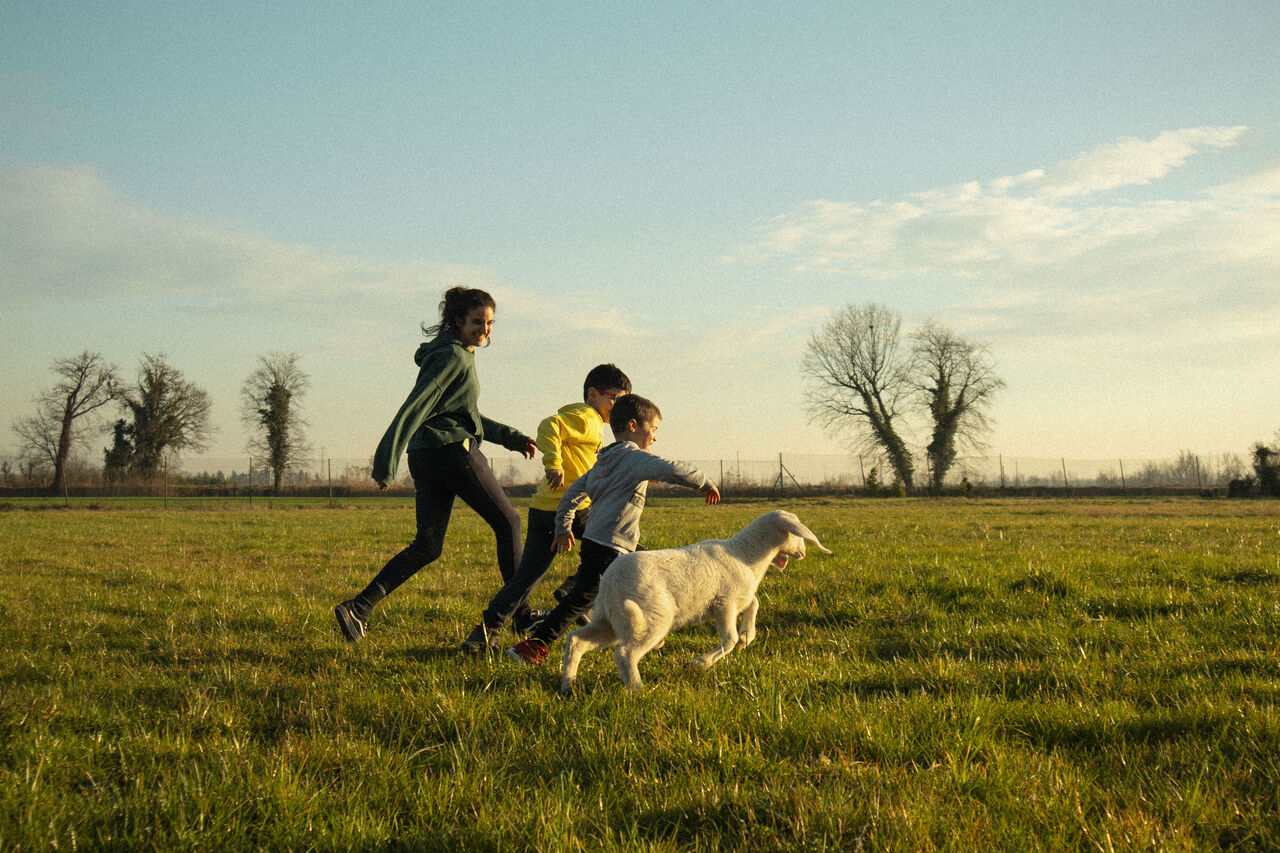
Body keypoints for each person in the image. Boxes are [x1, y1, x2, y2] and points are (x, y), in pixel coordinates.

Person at [334, 287, 536, 642]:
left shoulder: (452, 354)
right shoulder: (453, 357)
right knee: (510, 522)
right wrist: (385, 461)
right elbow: (417, 405)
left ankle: (359, 607)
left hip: (426, 456)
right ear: (458, 321)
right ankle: (522, 616)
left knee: (428, 545)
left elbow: (464, 415)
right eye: (478, 322)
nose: (485, 330)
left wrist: (512, 438)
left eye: (490, 323)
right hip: (452, 454)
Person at [507, 394, 721, 665]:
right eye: (652, 429)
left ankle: (647, 632)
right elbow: (672, 469)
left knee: (641, 579)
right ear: (633, 425)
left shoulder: (604, 461)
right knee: (582, 599)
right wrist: (704, 483)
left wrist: (563, 527)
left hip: (598, 542)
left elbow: (571, 495)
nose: (654, 437)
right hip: (612, 546)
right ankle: (533, 647)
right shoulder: (635, 458)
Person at [461, 364, 632, 653]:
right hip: (571, 509)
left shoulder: (590, 420)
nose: (617, 406)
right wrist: (552, 462)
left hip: (544, 508)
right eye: (614, 398)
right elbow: (548, 425)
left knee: (526, 577)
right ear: (593, 394)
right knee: (620, 552)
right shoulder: (586, 417)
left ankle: (485, 632)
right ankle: (574, 589)